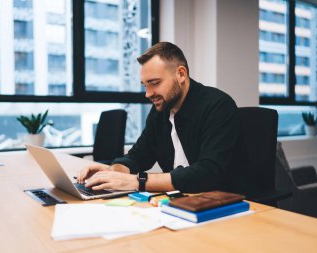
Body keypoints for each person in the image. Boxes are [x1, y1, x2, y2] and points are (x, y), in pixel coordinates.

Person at [78, 42, 238, 193]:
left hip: (223, 204)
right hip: (178, 201)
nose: (148, 93)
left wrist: (137, 181)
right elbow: (139, 155)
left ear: (181, 74)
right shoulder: (161, 111)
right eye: (145, 85)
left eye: (154, 83)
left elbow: (208, 173)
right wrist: (113, 171)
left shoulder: (217, 106)